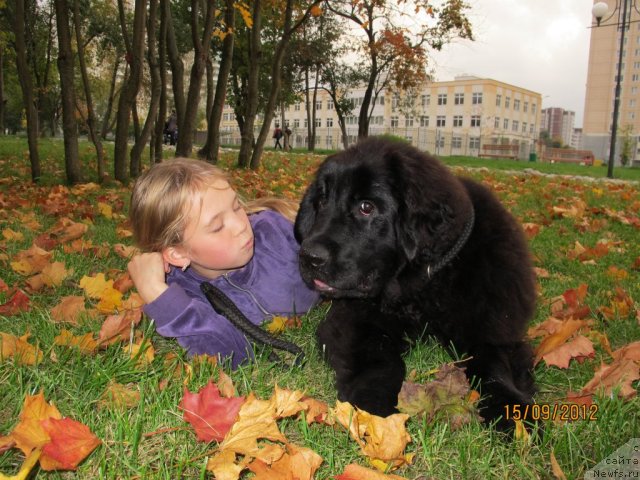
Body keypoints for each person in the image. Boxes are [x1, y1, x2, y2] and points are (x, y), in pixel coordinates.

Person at [127, 158, 319, 368]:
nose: (240, 225)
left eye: (237, 207)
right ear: (178, 254)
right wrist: (155, 291)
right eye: (217, 227)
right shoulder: (186, 294)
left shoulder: (278, 233)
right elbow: (232, 355)